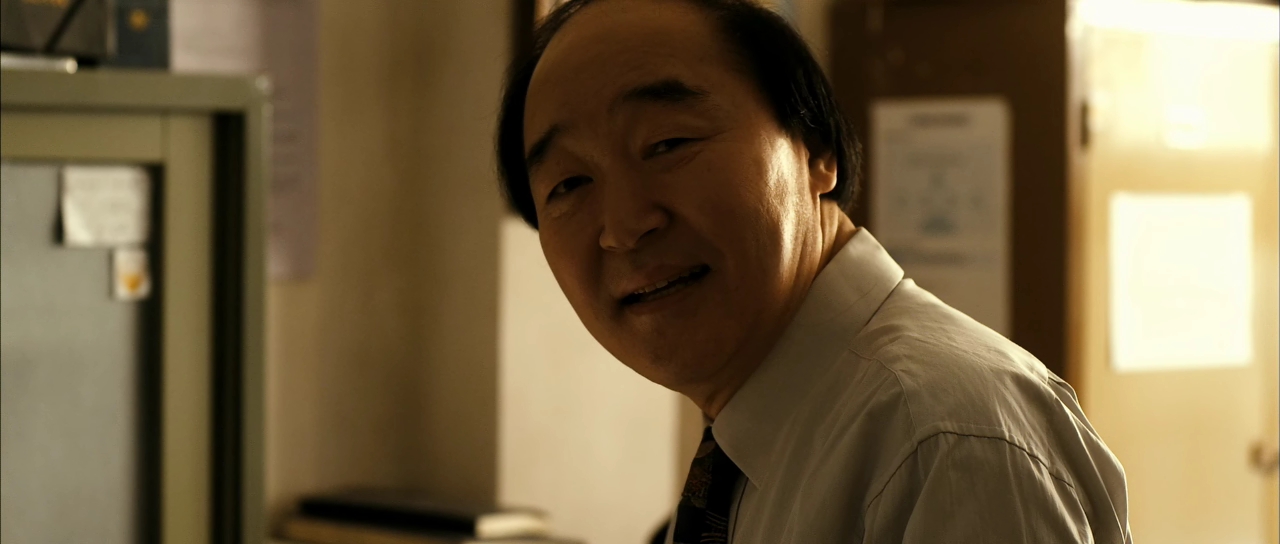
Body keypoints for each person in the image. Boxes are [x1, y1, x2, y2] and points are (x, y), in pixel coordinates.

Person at [494, 0, 1132, 542]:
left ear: (816, 149)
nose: (624, 225)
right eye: (569, 184)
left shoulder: (940, 439)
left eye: (668, 144)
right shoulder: (758, 442)